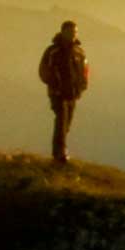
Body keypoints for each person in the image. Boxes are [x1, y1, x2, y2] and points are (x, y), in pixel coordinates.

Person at [38, 19, 90, 166]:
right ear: (62, 32)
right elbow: (43, 70)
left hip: (73, 93)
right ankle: (59, 155)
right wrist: (55, 85)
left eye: (75, 32)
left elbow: (85, 71)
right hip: (57, 93)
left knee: (67, 123)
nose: (73, 35)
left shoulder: (79, 52)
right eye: (70, 32)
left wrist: (83, 86)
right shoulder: (53, 51)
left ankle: (59, 150)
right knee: (61, 120)